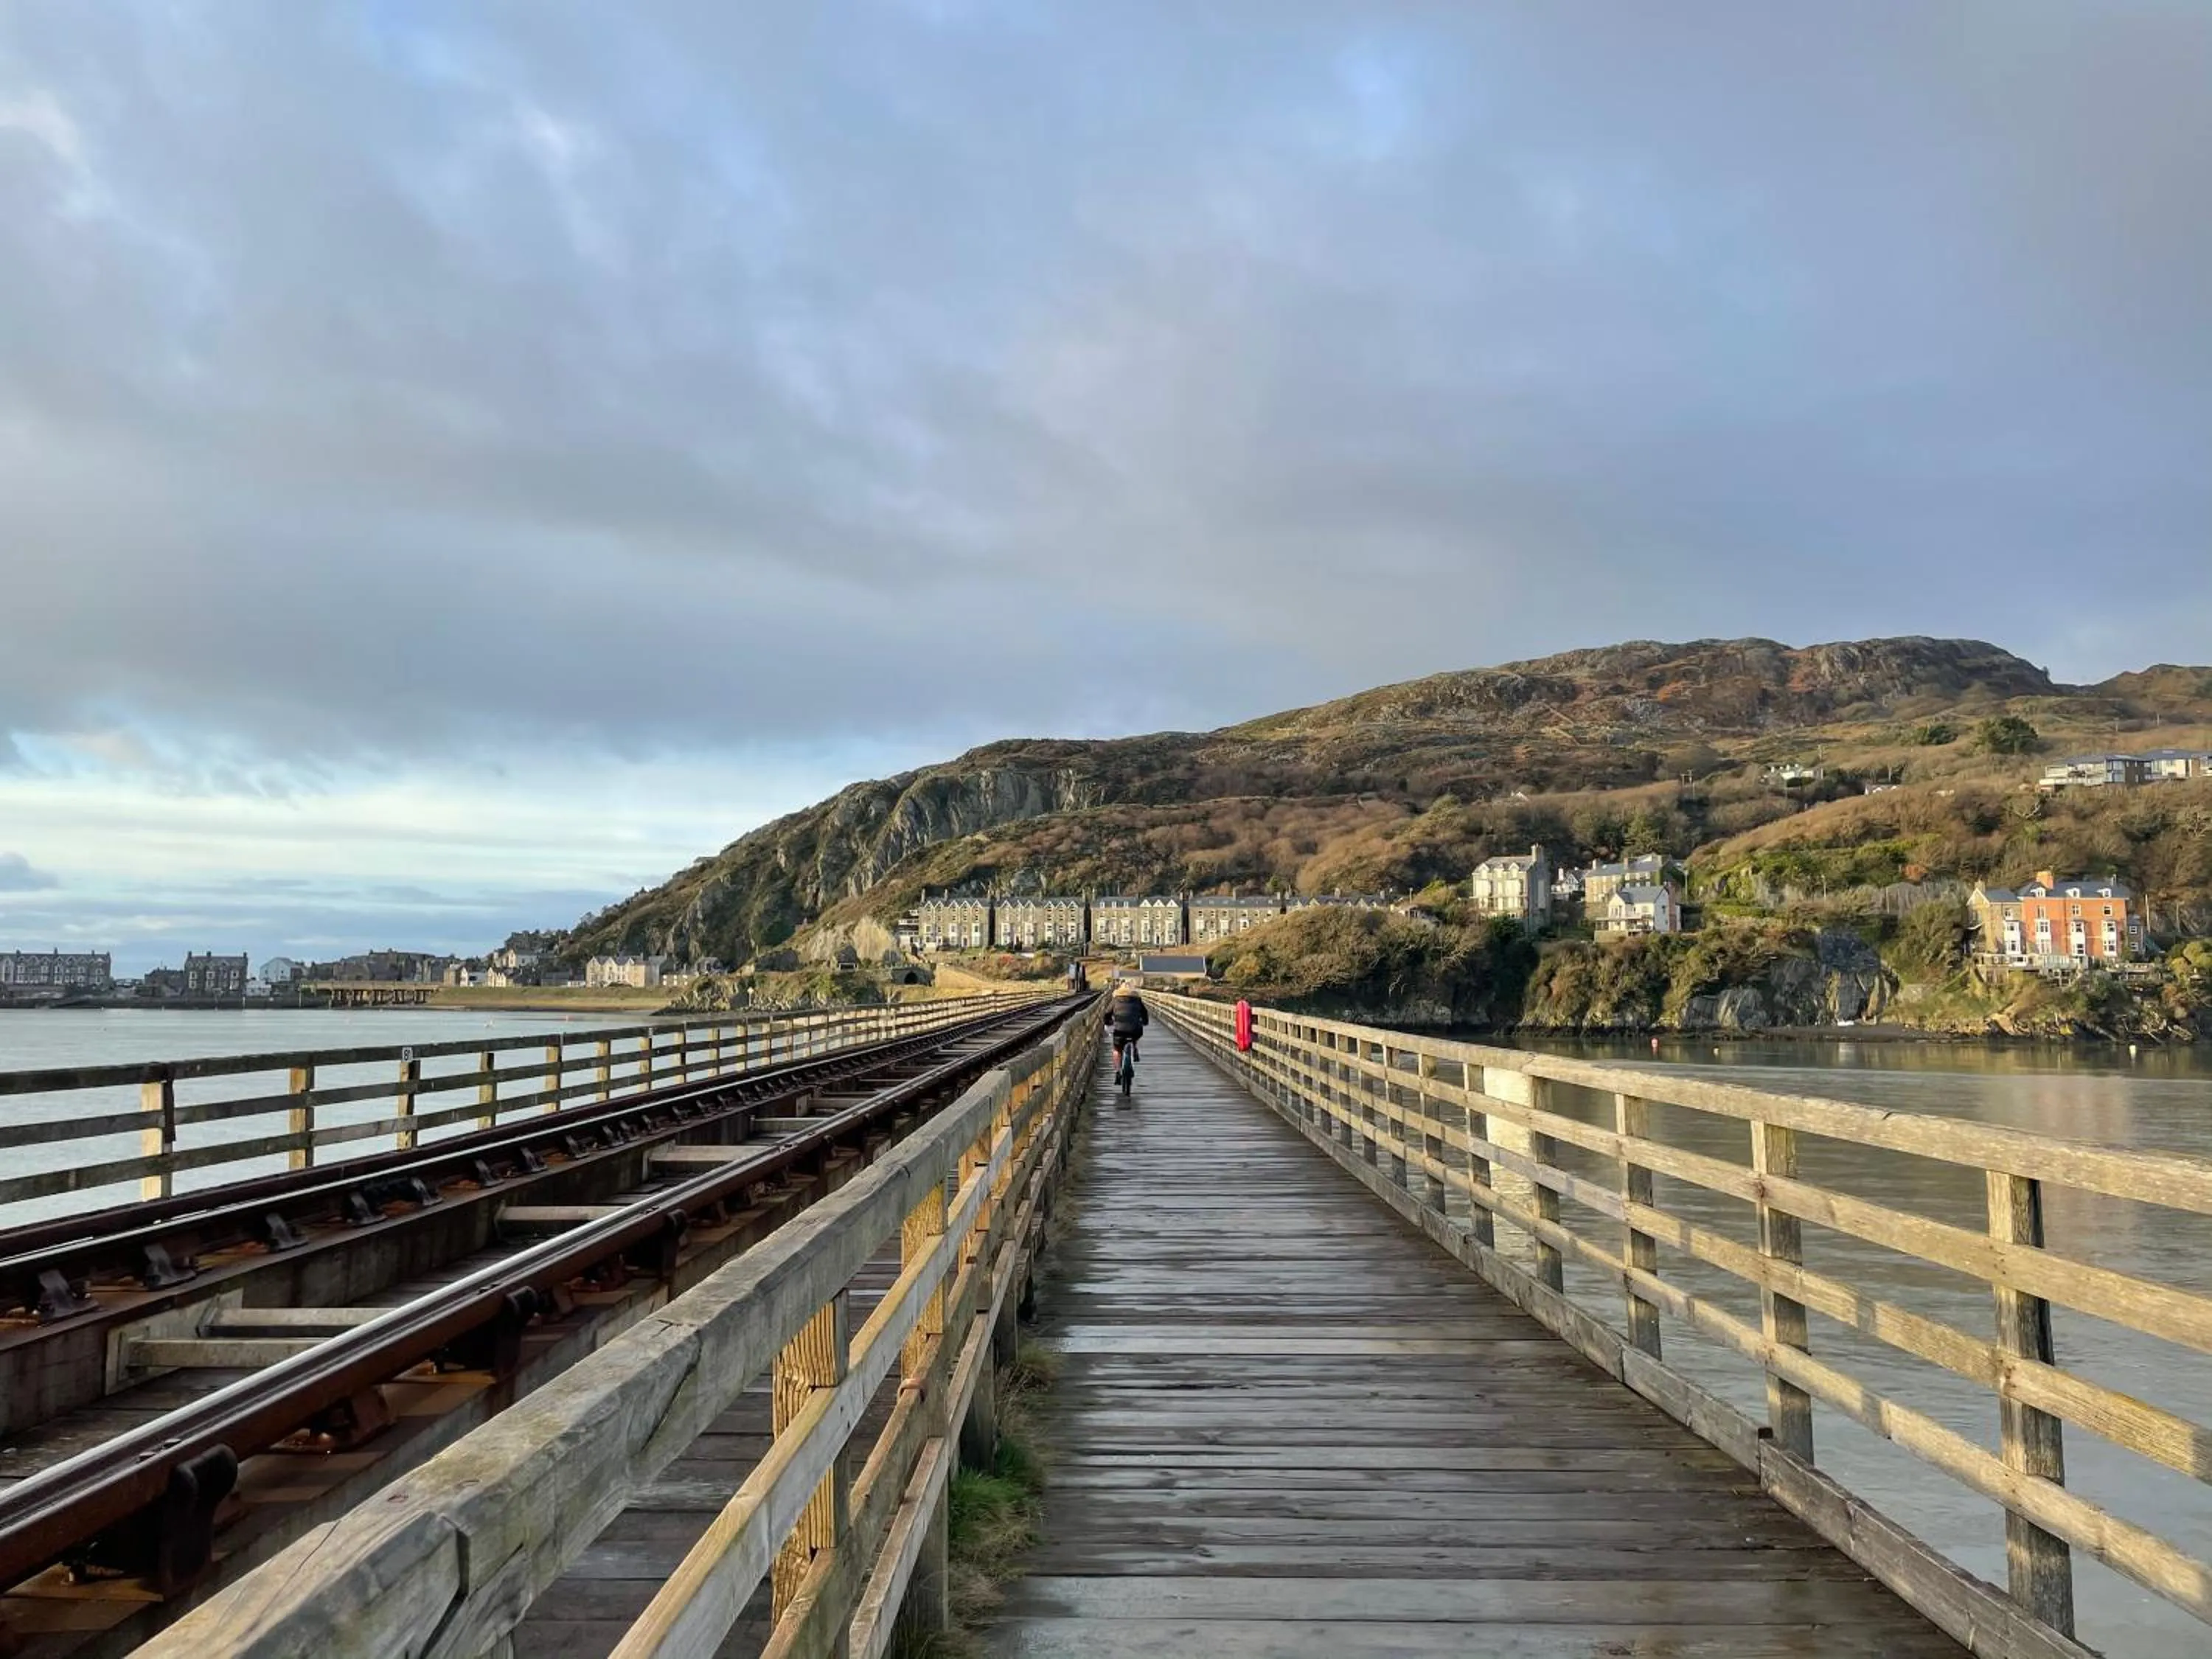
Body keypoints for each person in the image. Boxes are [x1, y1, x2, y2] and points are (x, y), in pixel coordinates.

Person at [1107, 981, 1149, 1082]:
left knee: (1117, 1050)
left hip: (1119, 1030)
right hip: (1135, 1030)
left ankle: (1117, 1072)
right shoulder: (1138, 1000)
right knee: (1135, 1035)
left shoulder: (1115, 1000)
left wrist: (1108, 1022)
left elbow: (1107, 1013)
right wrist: (1145, 1022)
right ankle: (1134, 1048)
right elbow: (1145, 1013)